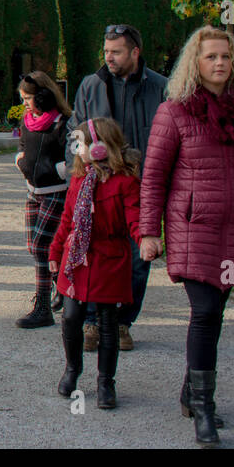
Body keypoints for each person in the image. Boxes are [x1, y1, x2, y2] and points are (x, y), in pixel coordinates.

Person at [139, 25, 234, 446]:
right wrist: (149, 232)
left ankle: (190, 391)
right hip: (192, 226)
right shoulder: (175, 111)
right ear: (194, 65)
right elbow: (153, 177)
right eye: (211, 56)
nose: (220, 62)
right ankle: (204, 409)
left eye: (225, 56)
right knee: (203, 311)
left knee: (215, 313)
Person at [67, 23, 167, 351]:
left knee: (139, 257)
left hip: (143, 185)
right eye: (106, 51)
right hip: (98, 185)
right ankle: (94, 322)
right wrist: (78, 172)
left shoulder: (161, 88)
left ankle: (124, 322)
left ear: (135, 52)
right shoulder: (90, 85)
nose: (109, 57)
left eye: (117, 52)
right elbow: (75, 131)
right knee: (98, 253)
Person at [49, 117, 141, 408]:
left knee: (107, 322)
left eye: (83, 143)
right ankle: (72, 368)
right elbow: (67, 220)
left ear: (101, 147)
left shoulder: (125, 182)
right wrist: (54, 253)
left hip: (109, 259)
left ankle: (105, 382)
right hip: (77, 260)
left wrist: (146, 238)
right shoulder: (78, 179)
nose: (78, 148)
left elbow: (135, 218)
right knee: (71, 317)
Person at [13, 71, 72, 329]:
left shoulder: (64, 123)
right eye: (23, 98)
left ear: (45, 96)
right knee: (34, 246)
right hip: (33, 191)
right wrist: (21, 162)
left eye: (28, 98)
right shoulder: (27, 122)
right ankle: (60, 285)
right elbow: (23, 148)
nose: (24, 103)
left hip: (57, 191)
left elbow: (74, 157)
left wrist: (58, 171)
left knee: (40, 246)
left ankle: (43, 307)